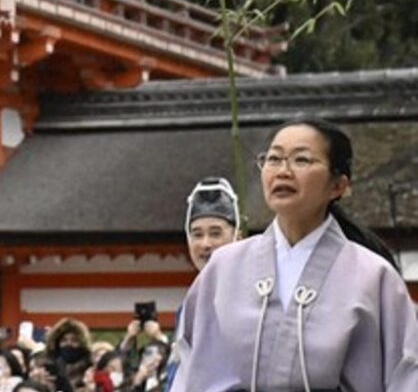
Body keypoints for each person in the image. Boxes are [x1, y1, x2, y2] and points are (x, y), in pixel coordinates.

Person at [171, 118, 418, 391]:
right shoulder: (224, 268)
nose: (282, 171)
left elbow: (405, 374)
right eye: (273, 159)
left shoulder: (373, 276)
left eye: (301, 160)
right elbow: (194, 370)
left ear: (338, 186)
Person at [162, 177, 240, 390]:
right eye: (197, 234)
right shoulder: (188, 306)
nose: (206, 243)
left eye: (216, 233)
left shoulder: (253, 296)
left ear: (237, 236)